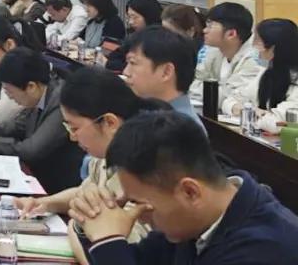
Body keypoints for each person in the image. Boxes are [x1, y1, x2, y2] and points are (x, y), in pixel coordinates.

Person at [69, 111, 298, 264]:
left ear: (190, 192)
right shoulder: (193, 221)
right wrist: (92, 220)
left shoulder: (266, 248)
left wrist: (108, 241)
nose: (137, 215)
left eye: (139, 203)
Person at [16, 68, 162, 265]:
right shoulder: (104, 154)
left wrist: (75, 228)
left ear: (109, 123)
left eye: (74, 127)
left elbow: (110, 252)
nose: (72, 137)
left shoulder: (141, 171)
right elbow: (84, 193)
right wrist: (44, 203)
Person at [0, 47, 84, 193]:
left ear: (31, 86)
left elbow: (31, 150)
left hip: (56, 185)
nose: (10, 97)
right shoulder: (40, 94)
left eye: (10, 92)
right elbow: (19, 125)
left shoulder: (60, 103)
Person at [220, 19, 298, 133]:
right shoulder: (266, 73)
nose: (254, 46)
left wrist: (250, 113)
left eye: (258, 41)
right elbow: (228, 102)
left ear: (273, 48)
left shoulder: (295, 80)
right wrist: (253, 112)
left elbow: (277, 124)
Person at [122, 26, 204, 130]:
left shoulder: (180, 129)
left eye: (133, 63)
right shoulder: (152, 114)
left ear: (166, 72)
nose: (126, 72)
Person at [200, 2, 260, 112]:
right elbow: (192, 79)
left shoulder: (254, 60)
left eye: (210, 26)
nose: (204, 30)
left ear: (231, 34)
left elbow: (228, 97)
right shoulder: (214, 49)